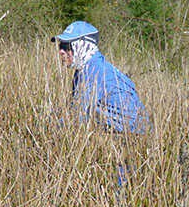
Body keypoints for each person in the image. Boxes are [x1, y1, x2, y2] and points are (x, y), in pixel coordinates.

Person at [51, 21, 146, 187]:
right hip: (115, 138)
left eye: (67, 46)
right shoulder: (87, 69)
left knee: (117, 193)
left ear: (82, 45)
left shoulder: (93, 71)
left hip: (127, 141)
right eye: (61, 45)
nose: (61, 51)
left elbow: (75, 119)